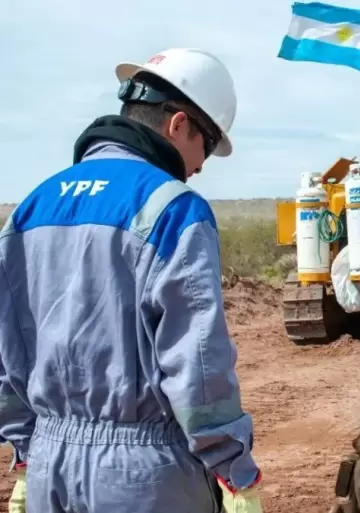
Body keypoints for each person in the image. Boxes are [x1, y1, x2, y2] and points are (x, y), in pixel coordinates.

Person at [0, 48, 263, 512]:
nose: (199, 167)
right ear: (179, 125)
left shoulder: (29, 210)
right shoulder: (174, 209)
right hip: (145, 475)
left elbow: (6, 354)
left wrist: (26, 452)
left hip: (48, 468)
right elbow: (197, 362)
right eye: (205, 147)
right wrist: (234, 469)